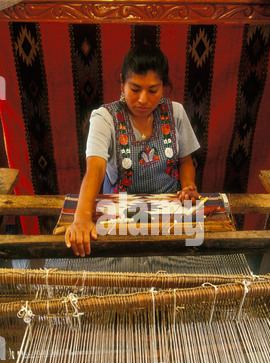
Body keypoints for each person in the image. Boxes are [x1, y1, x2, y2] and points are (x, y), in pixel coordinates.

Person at [65, 43, 200, 257]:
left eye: (153, 90)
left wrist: (189, 186)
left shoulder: (175, 113)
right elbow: (96, 169)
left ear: (164, 87)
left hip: (167, 212)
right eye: (135, 89)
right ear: (122, 84)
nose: (143, 99)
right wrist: (81, 217)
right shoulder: (105, 118)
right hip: (120, 216)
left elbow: (185, 161)